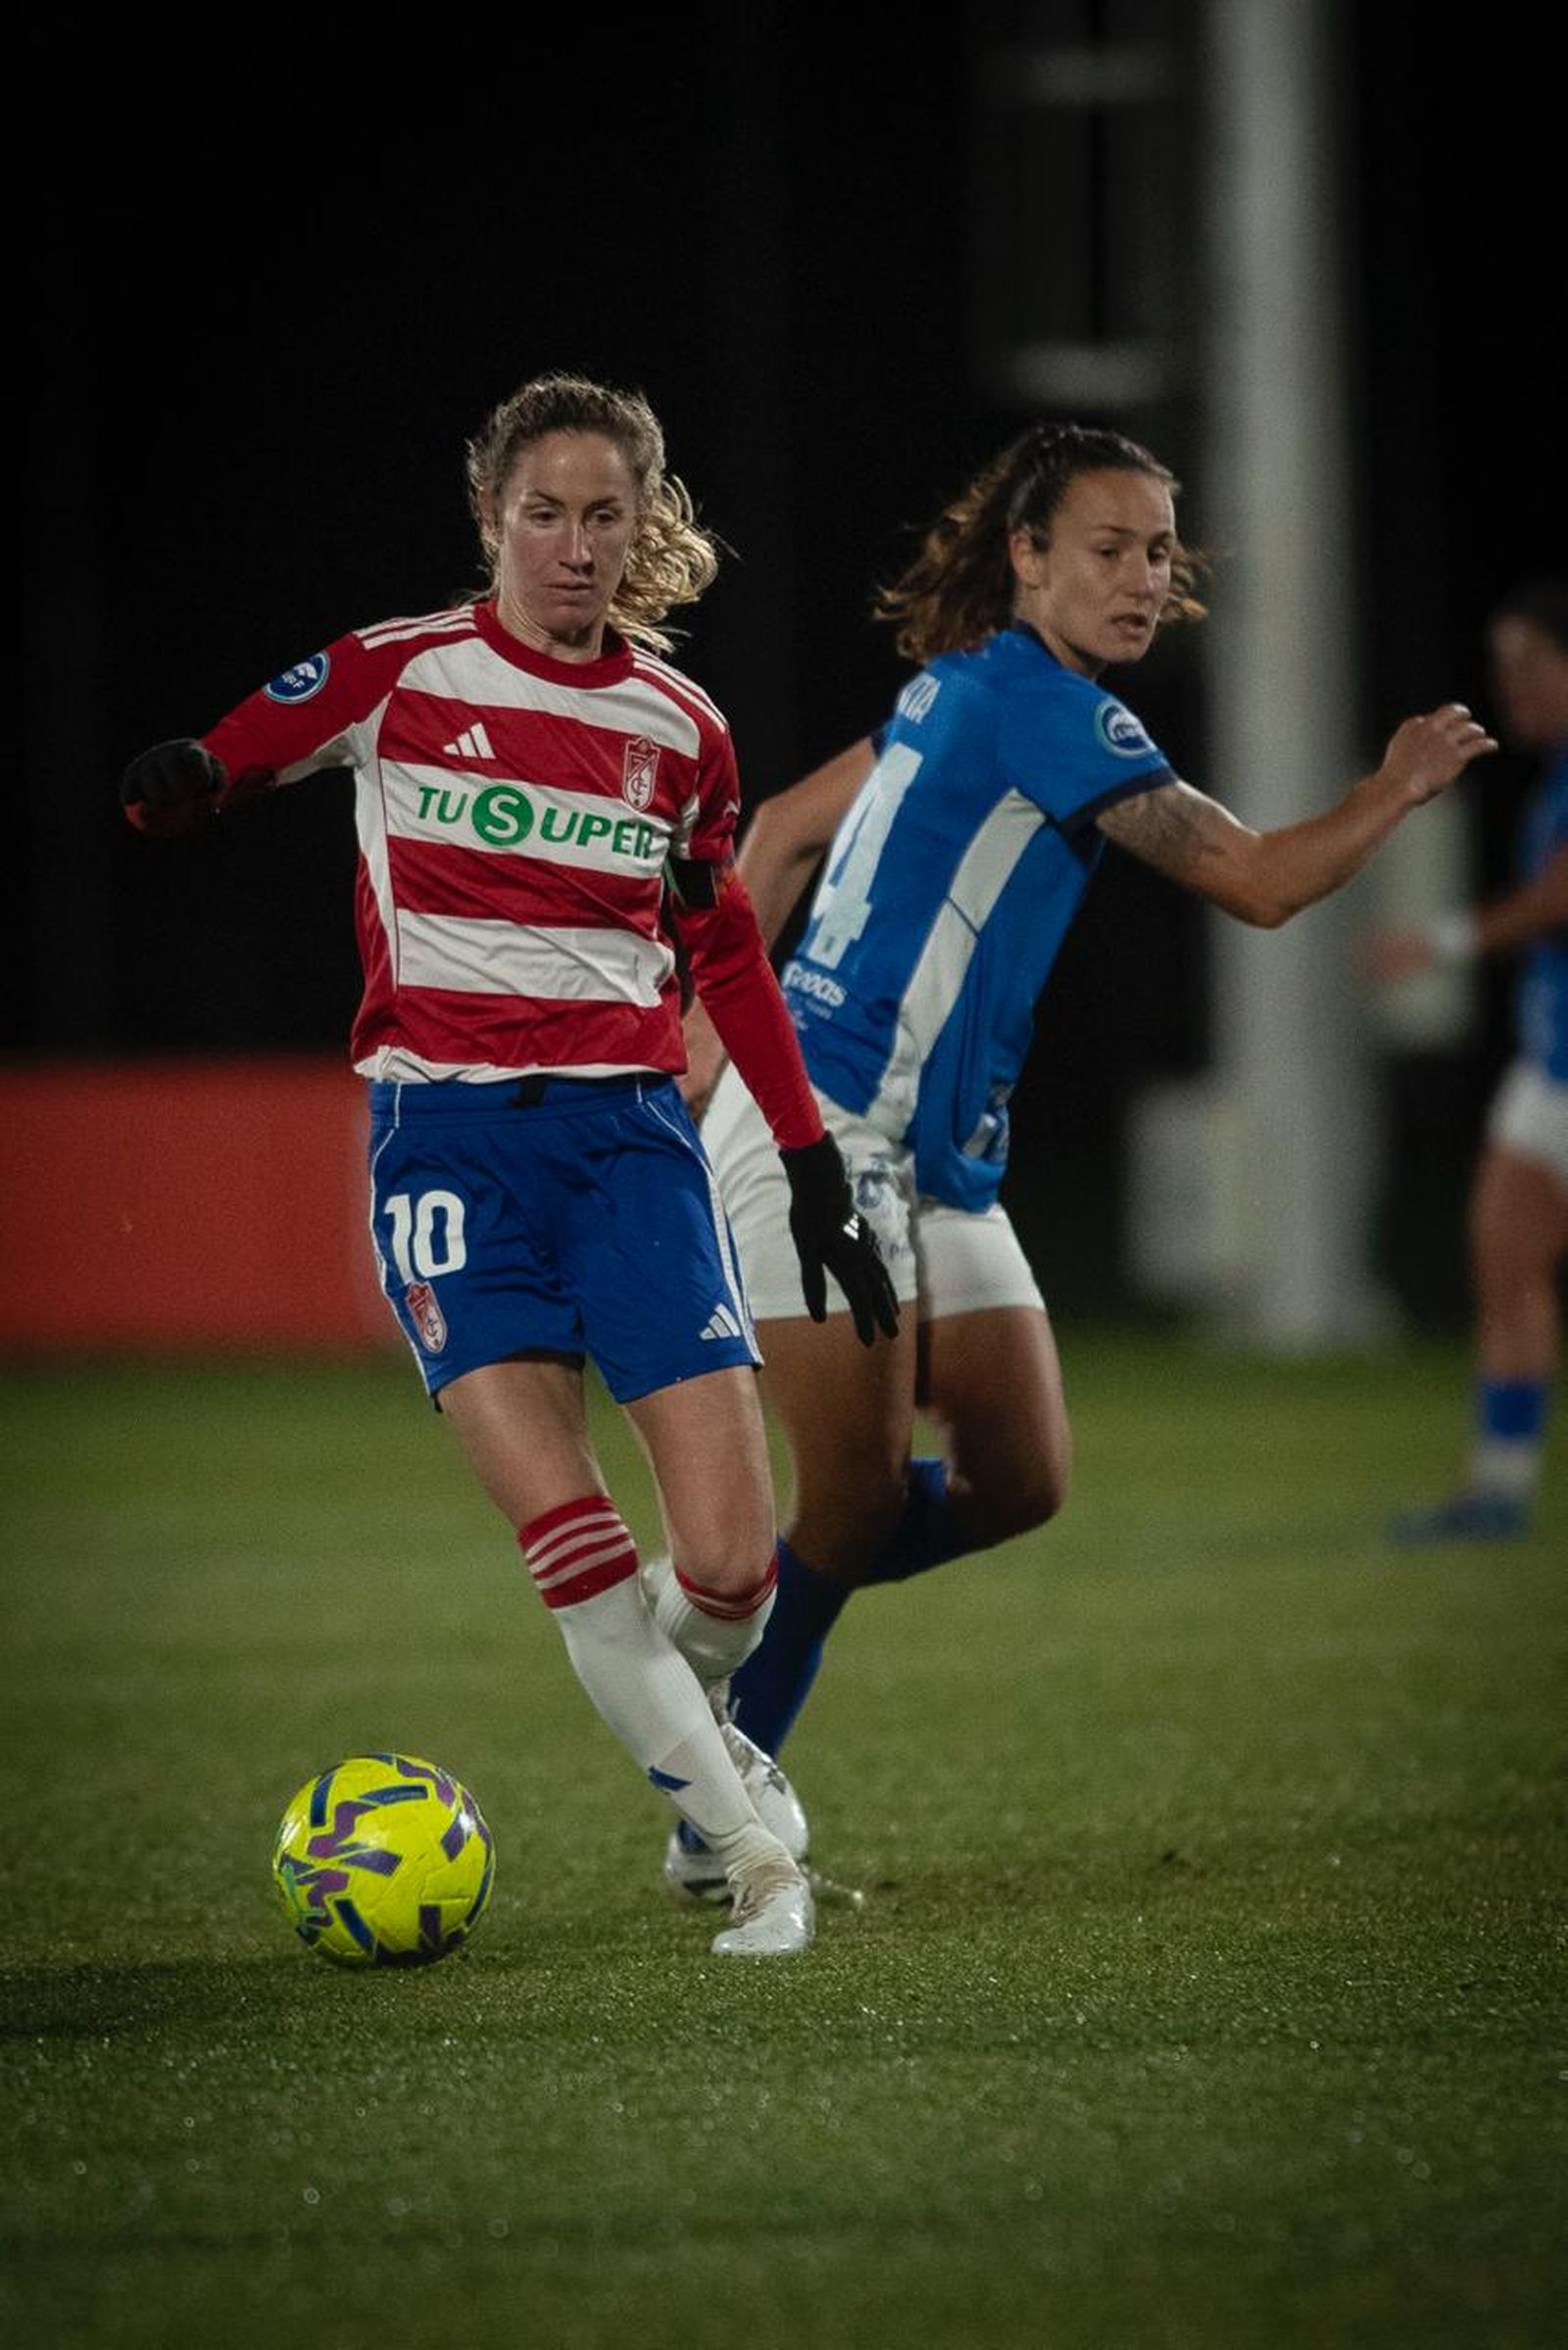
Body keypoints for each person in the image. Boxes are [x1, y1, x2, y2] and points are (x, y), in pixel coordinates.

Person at [120, 370, 897, 1958]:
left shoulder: (678, 728)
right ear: (490, 519)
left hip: (631, 1149)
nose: (571, 544)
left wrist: (807, 1163)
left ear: (639, 528)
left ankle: (689, 1744)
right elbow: (230, 757)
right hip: (449, 1151)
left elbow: (725, 948)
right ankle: (750, 1856)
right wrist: (190, 778)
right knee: (579, 1549)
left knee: (734, 1570)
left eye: (603, 515)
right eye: (541, 512)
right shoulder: (396, 675)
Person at [663, 417, 1496, 1895]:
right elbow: (1256, 881)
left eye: (1160, 553)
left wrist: (699, 1035)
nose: (1140, 576)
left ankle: (731, 1612)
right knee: (852, 1500)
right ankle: (713, 1797)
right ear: (1028, 557)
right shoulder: (1046, 706)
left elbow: (784, 833)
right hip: (834, 1122)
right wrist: (1398, 784)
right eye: (1107, 547)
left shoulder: (958, 687)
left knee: (1021, 1475)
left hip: (932, 1152)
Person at [1369, 580, 1568, 1542]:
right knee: (1503, 1261)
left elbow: (1558, 900)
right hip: (1547, 1073)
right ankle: (1498, 1487)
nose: (1512, 685)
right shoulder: (1552, 776)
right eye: (1503, 665)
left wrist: (1438, 942)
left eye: (1531, 663)